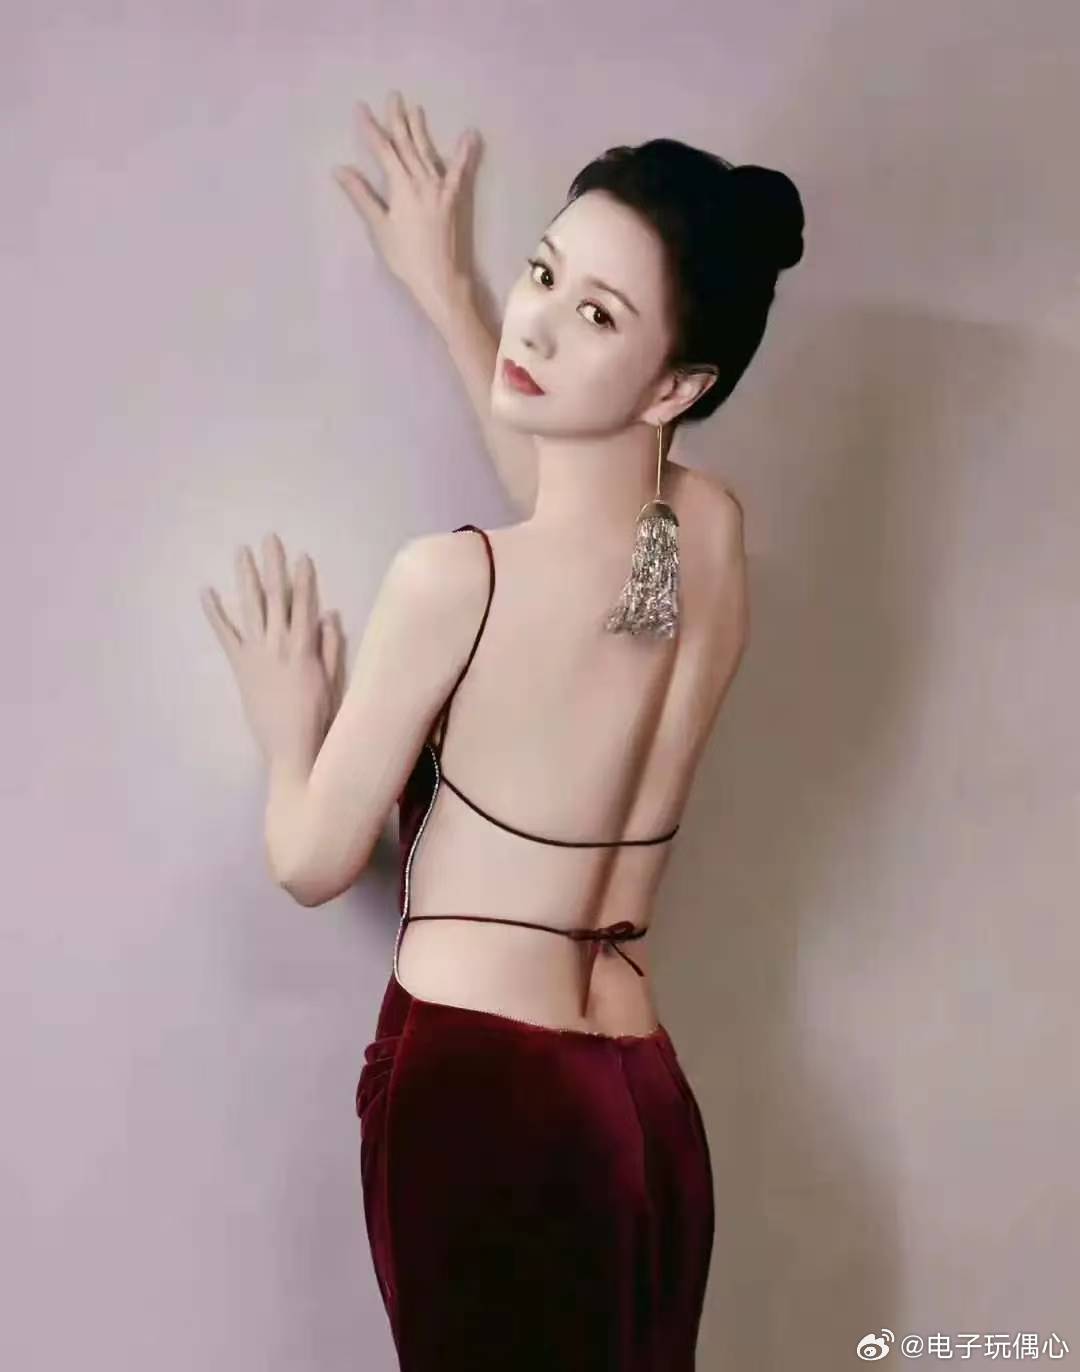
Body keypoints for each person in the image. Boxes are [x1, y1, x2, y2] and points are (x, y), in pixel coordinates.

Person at [335, 90, 805, 1370]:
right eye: (543, 274)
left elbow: (311, 858)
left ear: (679, 384)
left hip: (488, 1094)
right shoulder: (704, 537)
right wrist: (450, 293)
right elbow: (586, 512)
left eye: (597, 314)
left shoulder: (454, 579)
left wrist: (289, 737)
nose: (536, 321)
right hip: (643, 1100)